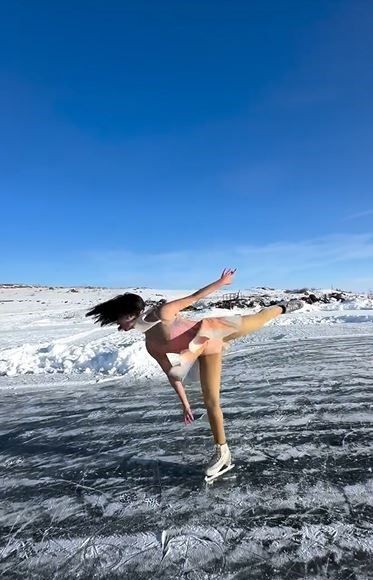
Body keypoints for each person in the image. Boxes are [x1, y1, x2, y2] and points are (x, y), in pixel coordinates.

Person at [86, 269, 303, 480]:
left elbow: (195, 297)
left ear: (129, 315)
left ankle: (281, 307)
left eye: (118, 321)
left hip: (214, 331)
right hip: (205, 352)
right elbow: (172, 374)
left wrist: (222, 282)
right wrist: (185, 404)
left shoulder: (164, 313)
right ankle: (223, 452)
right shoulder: (151, 345)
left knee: (257, 320)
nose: (118, 327)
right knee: (211, 401)